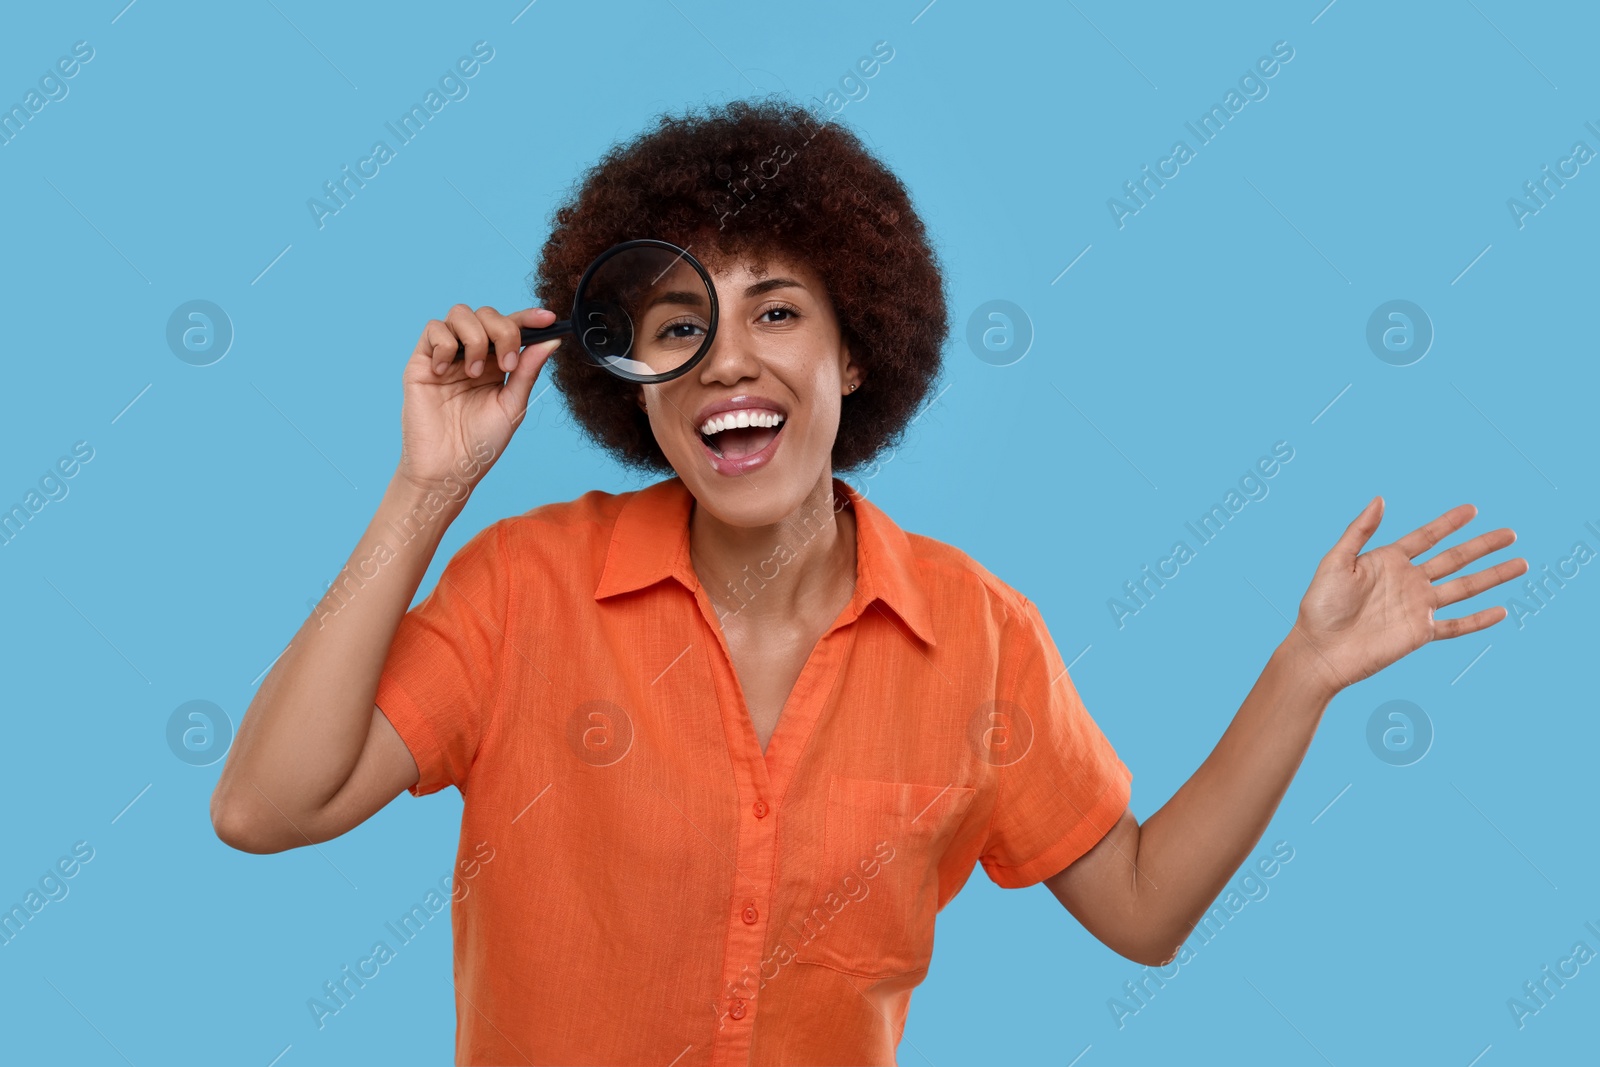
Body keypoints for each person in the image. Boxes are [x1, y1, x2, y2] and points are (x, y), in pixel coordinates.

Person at [209, 99, 1526, 1065]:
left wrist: (1300, 676)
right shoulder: (524, 589)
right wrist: (429, 488)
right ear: (642, 388)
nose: (730, 361)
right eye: (681, 329)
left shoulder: (980, 636)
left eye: (778, 312)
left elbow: (1138, 906)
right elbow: (265, 808)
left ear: (854, 358)